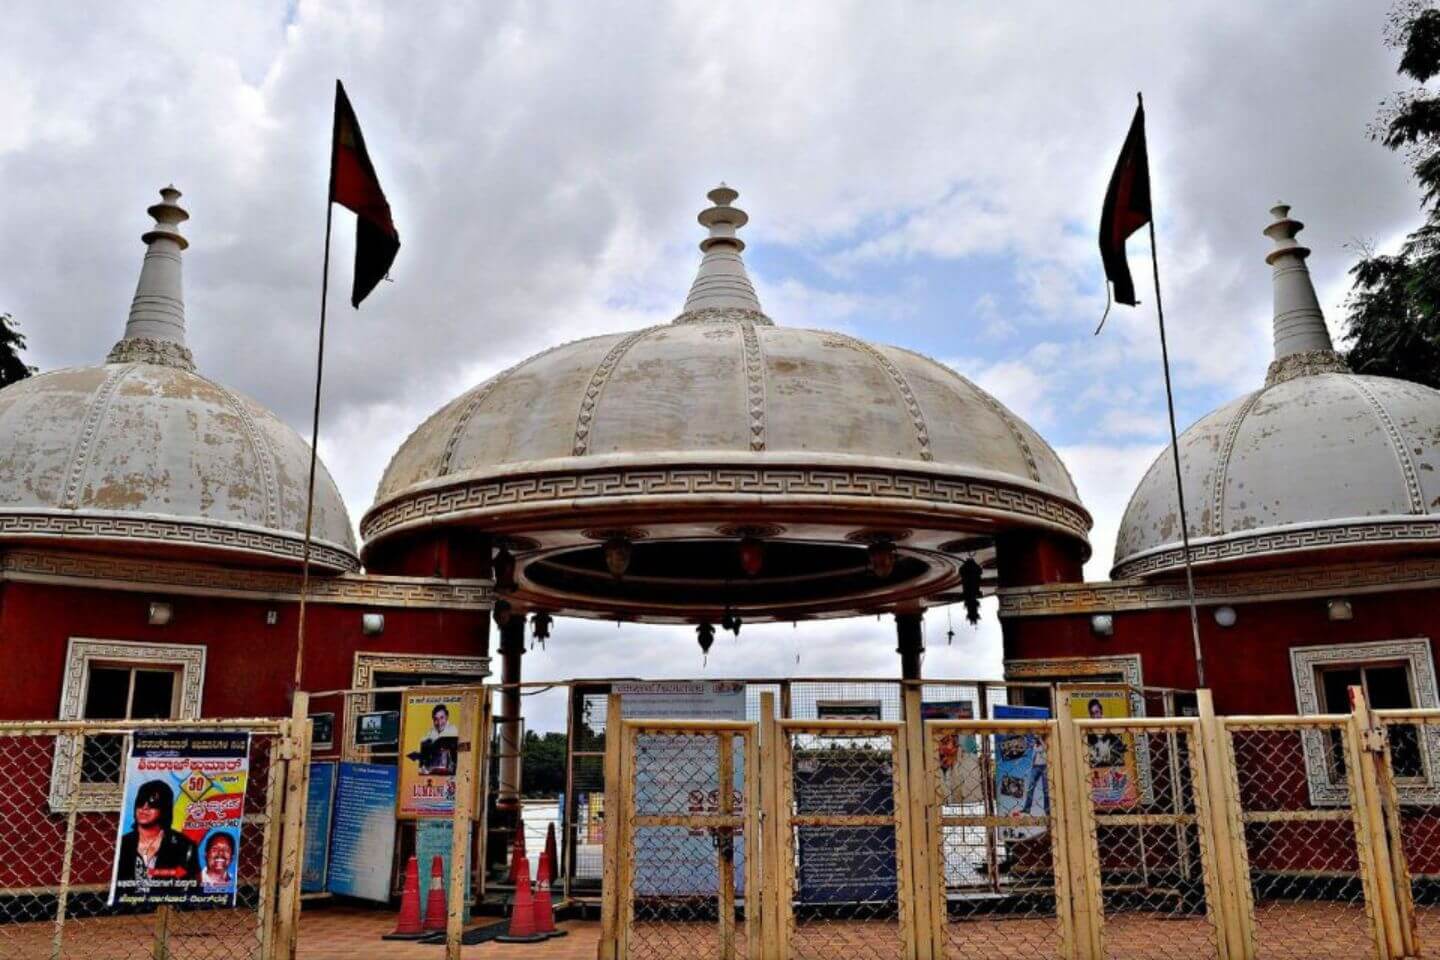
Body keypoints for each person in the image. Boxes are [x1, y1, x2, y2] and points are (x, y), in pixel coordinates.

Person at [116, 780, 199, 892]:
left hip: (169, 906)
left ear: (164, 809)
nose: (144, 807)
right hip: (126, 908)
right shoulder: (121, 843)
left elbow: (190, 887)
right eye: (140, 802)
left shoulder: (185, 846)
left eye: (152, 803)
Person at [410, 703, 459, 775]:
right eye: (436, 719)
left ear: (447, 717)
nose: (439, 722)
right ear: (433, 720)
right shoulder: (429, 733)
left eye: (442, 718)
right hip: (433, 772)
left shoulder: (455, 730)